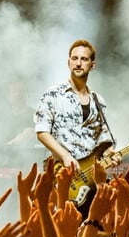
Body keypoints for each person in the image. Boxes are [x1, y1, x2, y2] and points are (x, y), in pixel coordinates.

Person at [34, 39, 120, 210]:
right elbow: (42, 132)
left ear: (92, 65)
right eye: (74, 58)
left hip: (92, 182)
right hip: (62, 177)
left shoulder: (98, 101)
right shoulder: (53, 94)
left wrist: (111, 153)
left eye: (84, 59)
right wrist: (65, 156)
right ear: (68, 62)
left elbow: (104, 142)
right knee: (63, 229)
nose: (78, 63)